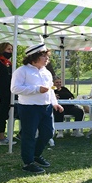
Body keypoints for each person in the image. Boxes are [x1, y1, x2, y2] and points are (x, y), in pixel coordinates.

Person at [11, 43, 64, 174]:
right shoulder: (22, 71)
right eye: (43, 56)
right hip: (29, 108)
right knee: (29, 135)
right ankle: (28, 162)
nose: (47, 58)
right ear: (33, 57)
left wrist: (55, 103)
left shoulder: (46, 72)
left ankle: (36, 155)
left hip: (45, 107)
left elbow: (50, 90)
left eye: (47, 56)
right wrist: (36, 89)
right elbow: (14, 89)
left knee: (48, 132)